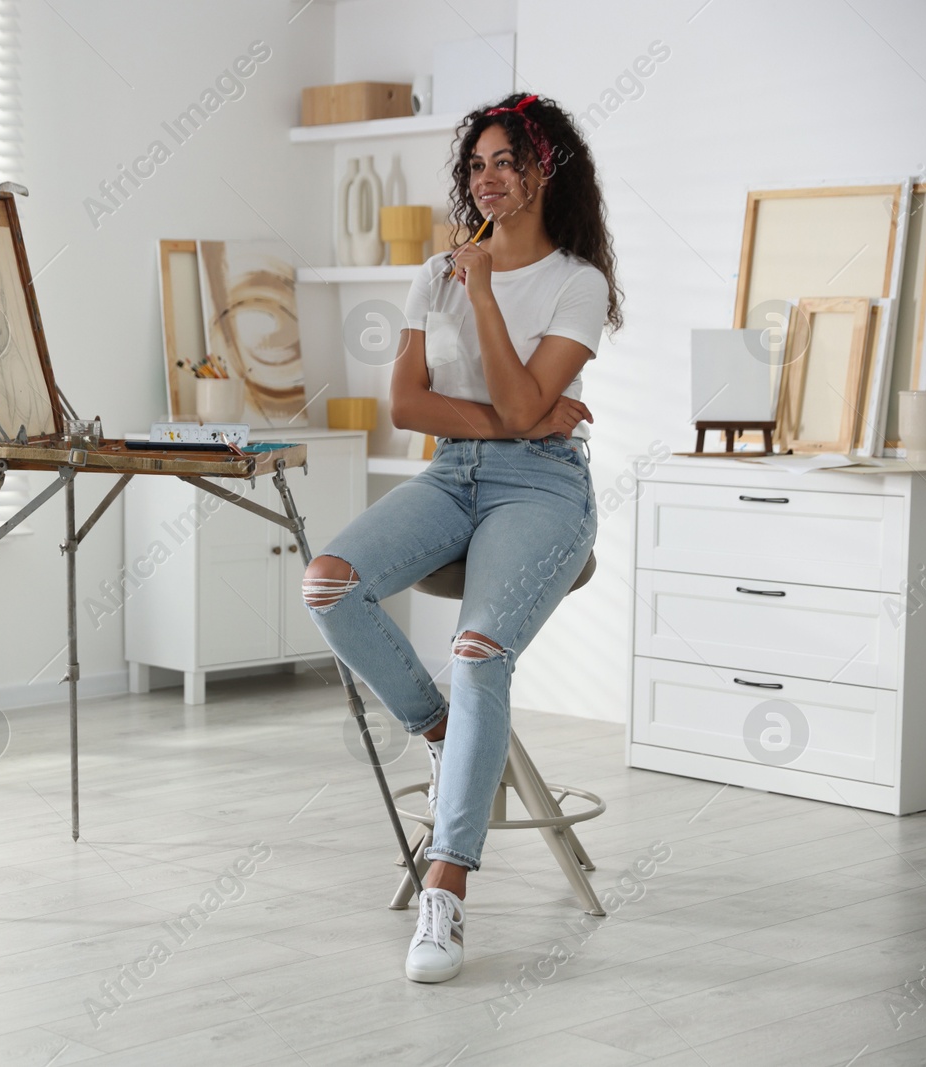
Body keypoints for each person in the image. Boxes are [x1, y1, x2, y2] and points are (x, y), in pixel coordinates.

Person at [302, 93, 622, 983]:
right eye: (477, 163)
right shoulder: (433, 269)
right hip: (451, 472)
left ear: (545, 170)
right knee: (328, 580)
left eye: (506, 161)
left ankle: (447, 885)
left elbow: (525, 414)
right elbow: (408, 405)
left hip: (545, 487)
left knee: (480, 648)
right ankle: (438, 724)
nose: (487, 177)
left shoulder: (576, 281)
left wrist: (485, 295)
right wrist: (525, 414)